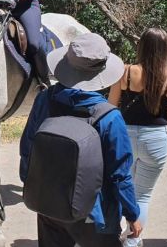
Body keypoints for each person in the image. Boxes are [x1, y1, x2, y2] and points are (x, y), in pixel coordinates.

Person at [20, 33, 142, 246]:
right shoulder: (109, 117)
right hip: (95, 215)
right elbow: (119, 174)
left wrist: (34, 185)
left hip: (49, 203)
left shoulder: (44, 99)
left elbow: (28, 147)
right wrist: (132, 213)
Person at [108, 27, 167, 247]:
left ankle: (113, 235)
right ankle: (133, 242)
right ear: (166, 50)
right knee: (142, 196)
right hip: (156, 140)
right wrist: (163, 140)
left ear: (141, 47)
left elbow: (111, 108)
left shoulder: (125, 72)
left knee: (120, 188)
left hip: (125, 137)